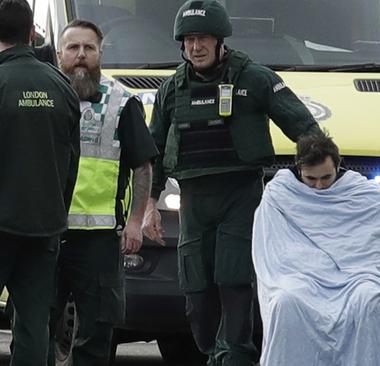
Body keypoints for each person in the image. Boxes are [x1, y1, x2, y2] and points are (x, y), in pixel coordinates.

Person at [142, 1, 322, 364]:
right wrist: (148, 205)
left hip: (241, 196)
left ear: (220, 39)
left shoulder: (255, 79)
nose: (196, 47)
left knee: (234, 281)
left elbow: (305, 128)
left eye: (203, 38)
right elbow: (154, 151)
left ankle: (234, 357)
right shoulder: (171, 90)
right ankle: (216, 354)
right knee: (196, 293)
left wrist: (323, 176)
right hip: (192, 201)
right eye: (189, 39)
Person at [47, 20, 158, 366]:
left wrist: (136, 221)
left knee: (96, 331)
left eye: (89, 48)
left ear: (100, 53)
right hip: (44, 232)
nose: (81, 56)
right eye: (73, 48)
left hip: (98, 237)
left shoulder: (123, 103)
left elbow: (143, 166)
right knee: (36, 324)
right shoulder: (41, 96)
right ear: (58, 54)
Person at [252, 133, 380, 366]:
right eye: (311, 179)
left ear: (337, 166)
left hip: (355, 277)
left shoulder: (361, 193)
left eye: (326, 177)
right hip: (299, 276)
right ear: (298, 169)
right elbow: (274, 250)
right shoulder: (279, 195)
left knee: (371, 299)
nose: (319, 186)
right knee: (285, 300)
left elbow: (377, 237)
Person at [0, 0, 80, 364]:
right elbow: (72, 163)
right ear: (32, 34)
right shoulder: (61, 85)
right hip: (44, 225)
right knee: (34, 324)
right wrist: (56, 209)